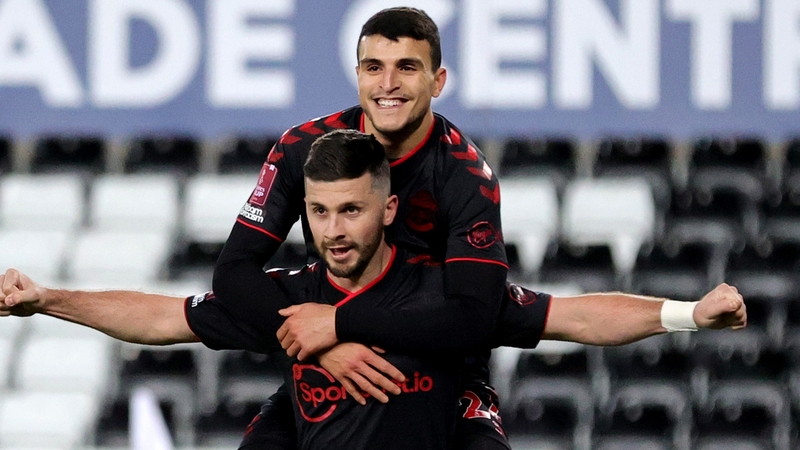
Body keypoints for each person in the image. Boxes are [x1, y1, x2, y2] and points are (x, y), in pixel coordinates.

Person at [208, 7, 747, 450]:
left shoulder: (466, 176)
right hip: (323, 362)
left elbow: (475, 316)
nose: (387, 84)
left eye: (407, 68)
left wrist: (342, 325)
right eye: (373, 67)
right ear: (357, 75)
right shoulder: (305, 148)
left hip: (440, 365)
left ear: (438, 81)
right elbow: (231, 272)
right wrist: (323, 343)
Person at [0, 130, 745, 448]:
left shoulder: (450, 297)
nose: (333, 229)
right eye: (318, 213)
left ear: (388, 208)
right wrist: (49, 301)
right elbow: (165, 317)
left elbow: (572, 317)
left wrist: (687, 315)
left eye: (351, 209)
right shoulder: (284, 298)